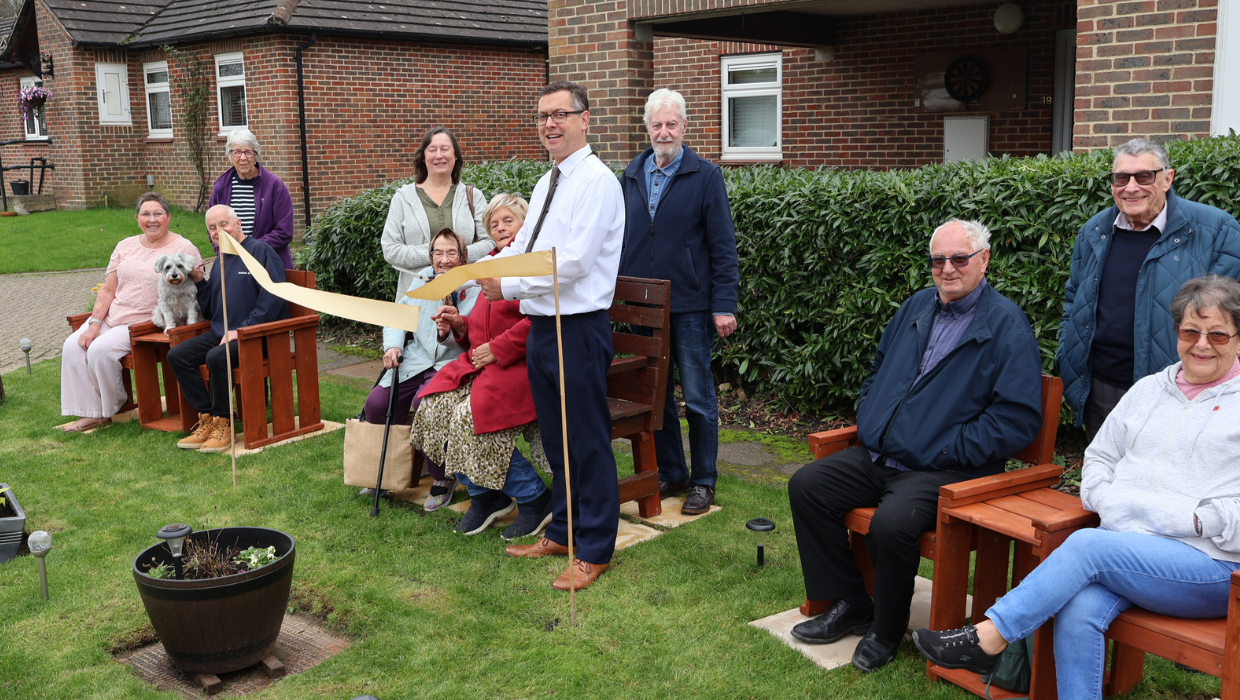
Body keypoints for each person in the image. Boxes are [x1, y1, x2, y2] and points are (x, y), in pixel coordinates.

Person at [915, 274, 1240, 700]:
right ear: (1176, 332)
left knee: (1086, 546)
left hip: (1210, 567)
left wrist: (1196, 521)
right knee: (1080, 608)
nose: (1201, 344)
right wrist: (1108, 501)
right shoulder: (1148, 390)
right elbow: (1100, 457)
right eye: (1190, 331)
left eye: (1217, 334)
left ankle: (989, 637)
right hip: (1124, 548)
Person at [786, 219, 1043, 673]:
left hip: (945, 469)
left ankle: (885, 629)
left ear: (983, 260)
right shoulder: (917, 306)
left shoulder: (1006, 326)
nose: (947, 269)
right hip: (882, 453)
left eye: (959, 259)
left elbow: (1017, 421)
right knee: (808, 486)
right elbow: (879, 367)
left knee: (891, 525)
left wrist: (947, 446)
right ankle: (851, 601)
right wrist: (870, 413)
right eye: (938, 260)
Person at [479, 81, 625, 592]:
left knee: (587, 442)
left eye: (561, 114)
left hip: (578, 327)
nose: (550, 124)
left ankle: (595, 549)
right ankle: (563, 530)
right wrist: (478, 268)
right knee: (558, 441)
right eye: (543, 116)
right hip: (542, 326)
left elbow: (576, 262)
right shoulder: (546, 183)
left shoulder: (598, 182)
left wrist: (509, 284)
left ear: (586, 120)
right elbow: (526, 244)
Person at [1058, 137, 1240, 443]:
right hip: (1102, 387)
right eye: (1121, 178)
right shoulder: (1095, 231)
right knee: (1107, 477)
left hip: (1183, 392)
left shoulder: (1216, 230)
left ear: (1167, 178)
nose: (1131, 187)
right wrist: (1067, 349)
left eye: (1144, 176)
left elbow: (1231, 315)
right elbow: (1074, 296)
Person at [619, 88, 738, 515]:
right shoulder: (630, 175)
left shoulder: (705, 176)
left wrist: (724, 304)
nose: (664, 131)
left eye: (672, 124)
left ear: (685, 127)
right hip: (643, 305)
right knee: (657, 396)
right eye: (657, 124)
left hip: (689, 304)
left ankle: (704, 481)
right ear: (647, 128)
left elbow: (723, 247)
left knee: (700, 397)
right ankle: (672, 471)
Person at [412, 194, 554, 539]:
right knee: (431, 406)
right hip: (485, 364)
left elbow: (542, 320)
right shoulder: (490, 263)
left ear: (526, 224)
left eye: (509, 220)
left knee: (469, 417)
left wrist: (498, 348)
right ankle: (485, 495)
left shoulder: (534, 264)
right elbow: (481, 326)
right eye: (494, 224)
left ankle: (535, 497)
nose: (501, 228)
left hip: (523, 365)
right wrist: (460, 326)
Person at [60, 193, 202, 432]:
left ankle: (111, 407)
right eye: (146, 214)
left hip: (146, 320)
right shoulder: (125, 245)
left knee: (100, 350)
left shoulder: (183, 247)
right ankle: (89, 411)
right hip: (113, 315)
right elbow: (107, 289)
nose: (152, 219)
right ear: (137, 218)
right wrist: (94, 323)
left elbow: (197, 284)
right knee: (73, 345)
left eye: (157, 213)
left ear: (168, 217)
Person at [364, 229, 481, 510]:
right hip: (417, 359)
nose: (444, 259)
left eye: (451, 252)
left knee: (425, 404)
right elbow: (396, 317)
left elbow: (474, 335)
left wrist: (450, 331)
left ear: (463, 257)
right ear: (431, 256)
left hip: (453, 362)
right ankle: (390, 471)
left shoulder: (475, 286)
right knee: (377, 404)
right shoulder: (422, 280)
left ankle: (443, 477)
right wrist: (392, 347)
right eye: (438, 252)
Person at [168, 205, 288, 453]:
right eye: (212, 228)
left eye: (223, 224)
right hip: (222, 332)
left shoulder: (260, 251)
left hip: (257, 335)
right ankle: (208, 418)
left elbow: (274, 296)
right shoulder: (223, 257)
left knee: (216, 357)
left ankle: (225, 423)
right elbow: (213, 310)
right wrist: (201, 283)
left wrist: (241, 330)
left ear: (238, 223)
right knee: (177, 356)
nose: (217, 231)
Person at [381, 126, 492, 299]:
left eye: (445, 149)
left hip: (467, 296)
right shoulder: (403, 198)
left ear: (455, 155)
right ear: (423, 157)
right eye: (432, 150)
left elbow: (490, 243)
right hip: (416, 296)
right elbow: (390, 249)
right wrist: (435, 254)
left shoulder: (473, 196)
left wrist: (457, 255)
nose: (439, 155)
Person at [207, 128, 295, 270]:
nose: (243, 158)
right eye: (237, 152)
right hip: (233, 263)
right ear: (230, 155)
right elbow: (212, 228)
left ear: (256, 154)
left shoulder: (275, 186)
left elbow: (284, 231)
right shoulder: (221, 187)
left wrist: (251, 249)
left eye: (248, 152)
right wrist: (225, 254)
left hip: (269, 263)